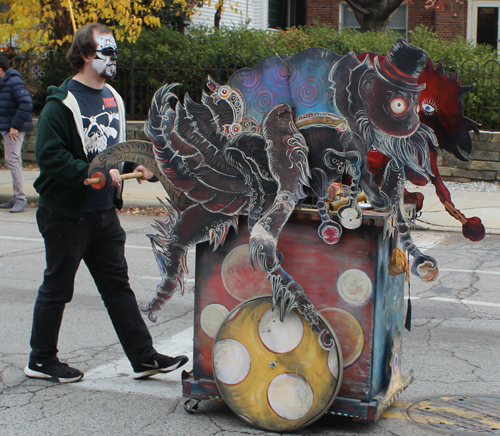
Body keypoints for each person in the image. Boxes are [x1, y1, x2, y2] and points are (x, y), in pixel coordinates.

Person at [24, 23, 188, 383]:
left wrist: (135, 166)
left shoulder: (112, 97)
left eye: (114, 52)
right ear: (85, 55)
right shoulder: (61, 103)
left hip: (102, 213)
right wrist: (94, 173)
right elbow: (50, 157)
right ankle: (40, 360)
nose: (114, 59)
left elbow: (113, 151)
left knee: (117, 287)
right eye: (106, 52)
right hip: (66, 212)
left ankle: (143, 357)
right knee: (58, 286)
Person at [0, 56, 33, 213]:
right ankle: (16, 196)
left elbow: (26, 103)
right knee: (13, 159)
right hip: (8, 129)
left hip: (14, 129)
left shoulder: (13, 81)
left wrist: (14, 126)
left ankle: (21, 198)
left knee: (13, 160)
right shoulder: (5, 82)